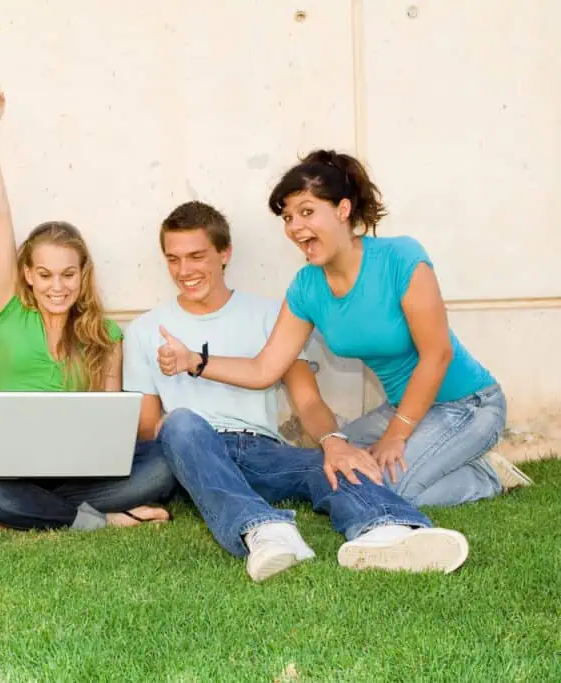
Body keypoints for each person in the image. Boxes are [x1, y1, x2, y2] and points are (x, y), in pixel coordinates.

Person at [161, 150, 530, 507]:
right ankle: (445, 461)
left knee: (382, 487)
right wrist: (194, 361)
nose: (295, 227)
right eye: (288, 217)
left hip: (467, 405)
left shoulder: (400, 258)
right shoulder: (307, 287)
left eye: (307, 212)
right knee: (332, 466)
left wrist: (396, 436)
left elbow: (437, 355)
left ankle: (485, 478)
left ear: (343, 209)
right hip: (402, 407)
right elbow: (264, 369)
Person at [128, 201, 472, 582]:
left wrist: (334, 442)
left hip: (259, 450)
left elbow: (307, 400)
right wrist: (174, 437)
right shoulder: (144, 330)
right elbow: (147, 428)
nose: (184, 271)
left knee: (331, 464)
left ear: (224, 254)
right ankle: (266, 531)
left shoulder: (271, 315)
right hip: (192, 449)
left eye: (196, 256)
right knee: (180, 423)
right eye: (173, 259)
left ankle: (390, 530)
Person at [0, 93, 175, 534]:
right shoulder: (10, 310)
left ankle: (15, 513)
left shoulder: (106, 334)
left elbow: (110, 425)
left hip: (81, 472)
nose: (56, 287)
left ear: (82, 274)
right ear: (27, 273)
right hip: (14, 470)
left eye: (67, 274)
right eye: (44, 275)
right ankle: (92, 518)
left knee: (162, 464)